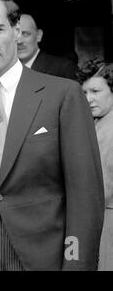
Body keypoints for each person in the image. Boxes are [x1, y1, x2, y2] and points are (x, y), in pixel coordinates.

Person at [0, 0, 104, 271]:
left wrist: (77, 265)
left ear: (16, 30)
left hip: (46, 258)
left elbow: (85, 196)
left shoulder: (62, 95)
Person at [78, 58, 113, 271]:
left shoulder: (109, 129)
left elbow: (103, 188)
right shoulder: (98, 123)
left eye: (95, 91)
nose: (89, 99)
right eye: (84, 93)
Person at [17, 13, 77, 80]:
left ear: (39, 36)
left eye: (25, 34)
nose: (19, 41)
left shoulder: (63, 69)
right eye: (15, 35)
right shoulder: (5, 70)